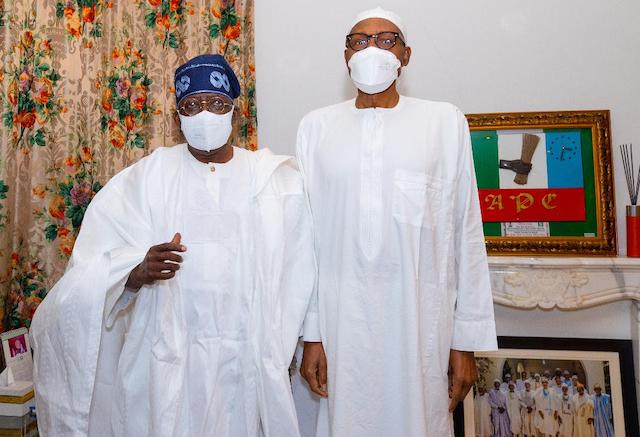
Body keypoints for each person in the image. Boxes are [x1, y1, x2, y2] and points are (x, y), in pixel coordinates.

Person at [30, 54, 316, 437]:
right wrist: (133, 272)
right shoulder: (144, 180)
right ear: (176, 118)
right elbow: (87, 275)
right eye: (191, 105)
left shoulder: (275, 181)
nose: (204, 114)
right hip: (166, 366)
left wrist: (311, 337)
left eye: (216, 104)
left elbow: (305, 268)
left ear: (235, 110)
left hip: (249, 362)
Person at [297, 6, 497, 437]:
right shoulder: (316, 128)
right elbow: (306, 241)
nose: (372, 49)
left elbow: (466, 234)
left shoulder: (444, 122)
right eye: (360, 40)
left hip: (421, 326)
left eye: (386, 40)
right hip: (340, 324)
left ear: (406, 55)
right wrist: (312, 333)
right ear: (345, 55)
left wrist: (465, 342)